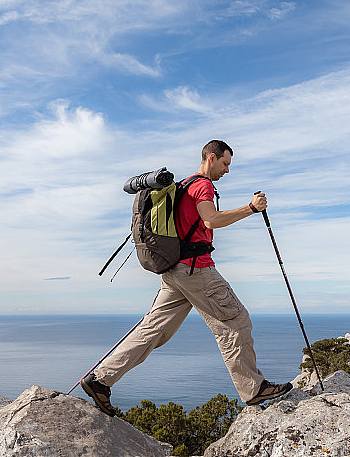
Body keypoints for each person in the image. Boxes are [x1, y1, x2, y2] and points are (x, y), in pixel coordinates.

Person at [81, 140, 292, 416]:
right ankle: (253, 389)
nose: (227, 170)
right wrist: (251, 208)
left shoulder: (183, 185)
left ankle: (100, 379)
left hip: (174, 271)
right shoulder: (202, 185)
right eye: (225, 163)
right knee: (236, 321)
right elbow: (211, 220)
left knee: (153, 329)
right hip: (196, 270)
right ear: (211, 157)